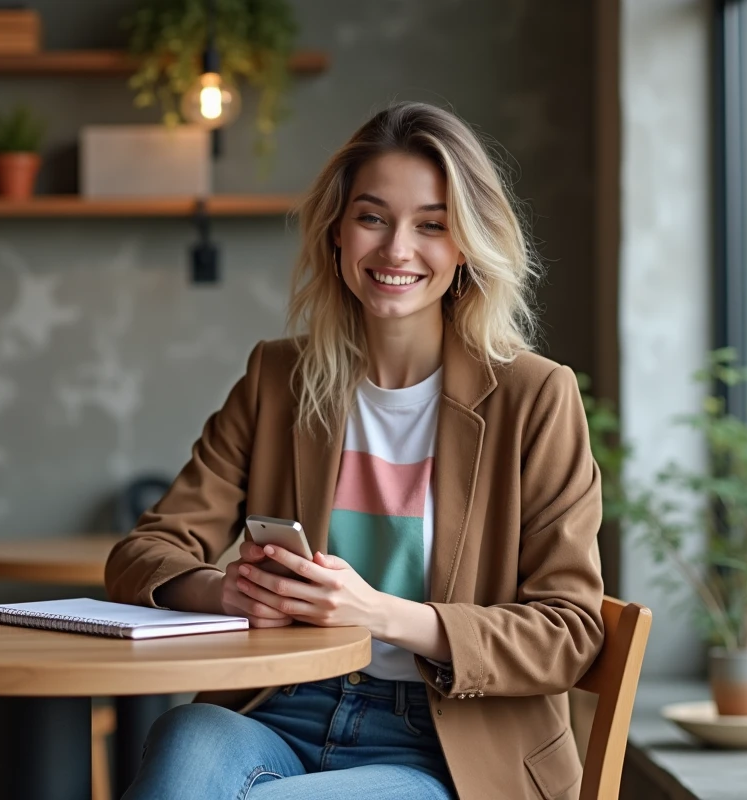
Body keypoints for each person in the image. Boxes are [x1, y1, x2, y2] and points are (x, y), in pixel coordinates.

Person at [105, 101, 605, 800]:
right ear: (337, 231)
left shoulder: (536, 395)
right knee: (185, 743)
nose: (397, 250)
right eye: (373, 218)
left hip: (446, 747)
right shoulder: (277, 378)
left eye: (431, 225)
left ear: (465, 244)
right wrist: (225, 591)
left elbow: (570, 630)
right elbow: (143, 553)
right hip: (280, 706)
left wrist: (379, 613)